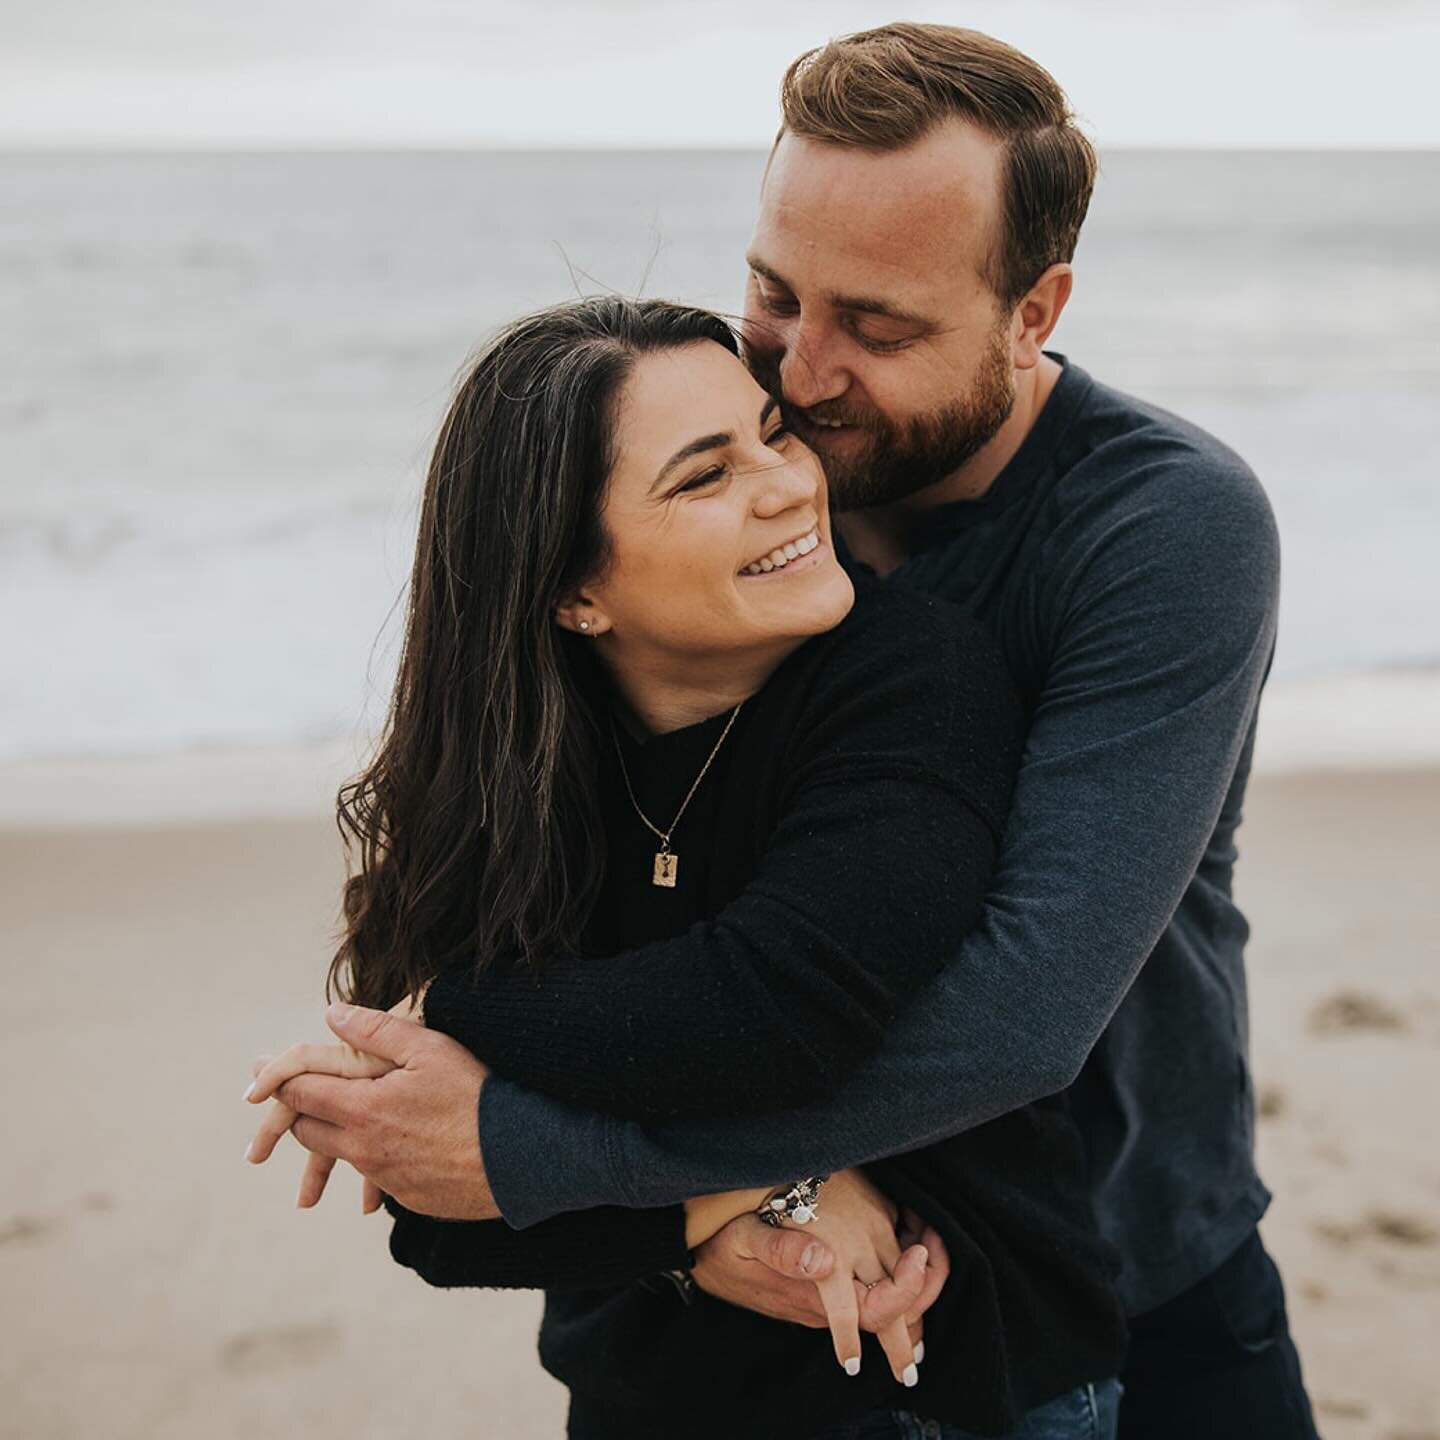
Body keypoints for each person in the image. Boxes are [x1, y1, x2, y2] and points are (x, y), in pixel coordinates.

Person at [249, 23, 1319, 1439]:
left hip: (1118, 1257)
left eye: (877, 327)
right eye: (772, 293)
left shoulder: (1155, 527)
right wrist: (700, 1217)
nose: (803, 382)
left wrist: (524, 1141)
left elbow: (1011, 1016)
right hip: (699, 1307)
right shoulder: (723, 480)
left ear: (1033, 310)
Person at [248, 295, 1126, 1439]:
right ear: (574, 590)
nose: (788, 484)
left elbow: (776, 1003)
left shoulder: (913, 685)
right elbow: (438, 1203)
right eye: (704, 476)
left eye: (775, 431)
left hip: (945, 1383)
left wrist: (451, 1016)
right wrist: (718, 1215)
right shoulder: (505, 773)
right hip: (645, 1400)